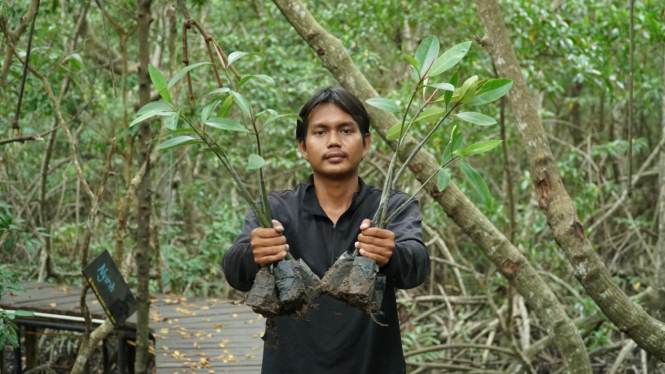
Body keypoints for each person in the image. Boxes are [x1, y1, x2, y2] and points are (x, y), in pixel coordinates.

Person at [222, 86, 430, 374]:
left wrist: (391, 254)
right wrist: (254, 254)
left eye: (346, 131)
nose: (334, 141)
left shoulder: (392, 206)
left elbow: (416, 266)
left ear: (366, 143)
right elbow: (235, 271)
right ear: (303, 147)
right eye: (320, 132)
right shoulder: (274, 209)